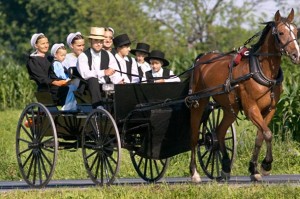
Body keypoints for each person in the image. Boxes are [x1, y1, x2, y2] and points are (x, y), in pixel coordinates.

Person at [77, 27, 123, 108]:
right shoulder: (83, 56)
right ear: (90, 41)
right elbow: (85, 74)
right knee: (92, 78)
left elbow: (113, 71)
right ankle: (98, 106)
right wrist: (103, 72)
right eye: (96, 41)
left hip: (105, 85)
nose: (99, 44)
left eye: (101, 41)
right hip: (89, 87)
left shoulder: (108, 54)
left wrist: (119, 81)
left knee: (120, 84)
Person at [26, 33, 69, 106]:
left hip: (59, 86)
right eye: (43, 43)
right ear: (36, 45)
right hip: (46, 90)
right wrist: (56, 82)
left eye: (47, 43)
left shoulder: (50, 58)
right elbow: (41, 78)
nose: (46, 45)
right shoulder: (33, 61)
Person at [50, 43, 77, 110]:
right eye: (62, 55)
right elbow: (61, 74)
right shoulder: (56, 64)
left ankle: (72, 105)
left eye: (65, 55)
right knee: (72, 87)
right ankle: (68, 106)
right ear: (55, 55)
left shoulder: (60, 64)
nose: (64, 57)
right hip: (58, 87)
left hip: (62, 85)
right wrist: (68, 78)